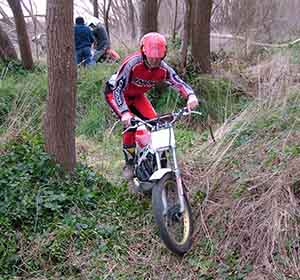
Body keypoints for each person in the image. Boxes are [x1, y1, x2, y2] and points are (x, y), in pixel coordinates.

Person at [104, 32, 199, 180]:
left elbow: (177, 81)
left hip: (137, 97)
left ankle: (154, 159)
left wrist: (190, 95)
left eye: (158, 57)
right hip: (116, 94)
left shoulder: (163, 68)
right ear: (143, 51)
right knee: (131, 125)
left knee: (155, 124)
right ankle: (129, 163)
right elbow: (118, 89)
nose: (154, 61)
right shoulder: (132, 63)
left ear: (164, 54)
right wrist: (124, 112)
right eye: (151, 57)